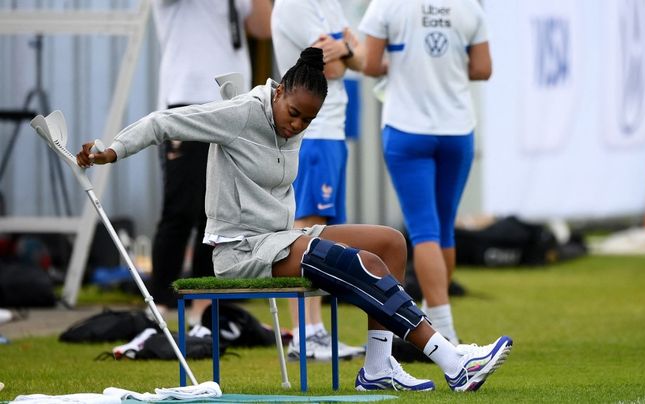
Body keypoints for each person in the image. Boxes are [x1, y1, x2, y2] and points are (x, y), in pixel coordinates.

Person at [77, 48, 511, 392]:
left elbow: (290, 155)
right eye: (294, 113)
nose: (297, 125)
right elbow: (163, 121)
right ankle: (451, 360)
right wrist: (111, 149)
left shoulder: (295, 118)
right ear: (280, 90)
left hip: (280, 238)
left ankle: (378, 368)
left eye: (308, 119)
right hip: (238, 251)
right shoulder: (242, 113)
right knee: (358, 264)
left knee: (390, 244)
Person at [359, 0, 493, 346]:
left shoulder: (386, 5)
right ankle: (436, 318)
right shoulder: (469, 7)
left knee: (424, 232)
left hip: (407, 128)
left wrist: (408, 65)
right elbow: (482, 68)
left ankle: (443, 328)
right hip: (457, 129)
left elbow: (370, 64)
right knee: (443, 229)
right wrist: (443, 66)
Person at [149, 0, 271, 328]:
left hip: (232, 106)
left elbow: (263, 26)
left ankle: (203, 307)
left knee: (217, 214)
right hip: (184, 102)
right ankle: (159, 303)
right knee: (179, 209)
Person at [271, 0, 365, 362]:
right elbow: (335, 70)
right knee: (305, 228)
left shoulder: (327, 4)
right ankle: (304, 334)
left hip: (333, 130)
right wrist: (347, 48)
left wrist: (344, 48)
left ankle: (315, 331)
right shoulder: (295, 6)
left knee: (319, 230)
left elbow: (361, 59)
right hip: (316, 131)